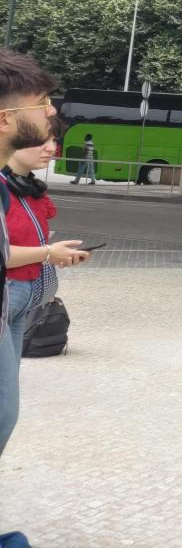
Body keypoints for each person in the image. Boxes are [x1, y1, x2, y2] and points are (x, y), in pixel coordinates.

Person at [0, 49, 63, 460]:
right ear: (5, 119)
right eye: (41, 103)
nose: (51, 111)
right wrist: (47, 253)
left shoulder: (17, 190)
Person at [1, 130, 91, 370]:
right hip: (9, 291)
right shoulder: (5, 190)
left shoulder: (28, 190)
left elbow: (30, 246)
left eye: (53, 140)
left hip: (23, 300)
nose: (51, 148)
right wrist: (48, 253)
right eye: (41, 141)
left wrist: (57, 255)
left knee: (9, 381)